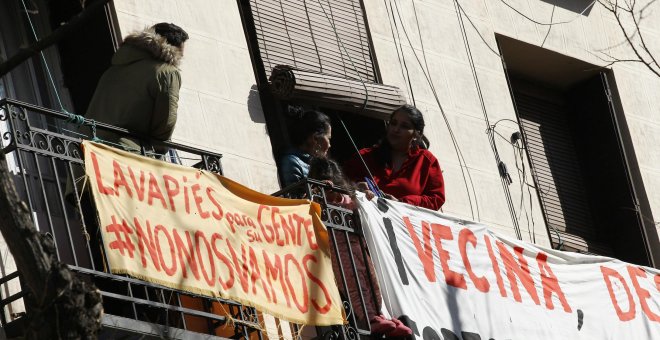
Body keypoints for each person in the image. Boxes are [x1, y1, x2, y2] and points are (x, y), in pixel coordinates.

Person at [308, 157, 412, 337]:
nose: (330, 193)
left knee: (373, 282)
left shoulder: (348, 197)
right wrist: (317, 192)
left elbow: (364, 205)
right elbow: (307, 207)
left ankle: (382, 316)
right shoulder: (316, 201)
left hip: (360, 248)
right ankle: (371, 319)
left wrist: (366, 196)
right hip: (339, 252)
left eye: (333, 186)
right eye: (325, 187)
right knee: (354, 284)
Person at [85, 22, 188, 152]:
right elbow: (165, 123)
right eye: (181, 52)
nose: (182, 56)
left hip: (90, 151)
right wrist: (159, 149)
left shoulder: (114, 69)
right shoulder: (167, 72)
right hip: (127, 154)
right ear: (173, 48)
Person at [345, 104, 445, 210]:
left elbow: (436, 199)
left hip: (404, 224)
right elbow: (341, 181)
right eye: (393, 123)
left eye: (404, 126)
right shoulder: (365, 156)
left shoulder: (427, 161)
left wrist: (402, 203)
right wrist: (356, 187)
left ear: (416, 134)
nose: (396, 129)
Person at [278, 110, 332, 188]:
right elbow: (293, 198)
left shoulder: (318, 163)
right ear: (315, 138)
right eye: (328, 138)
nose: (329, 145)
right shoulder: (292, 162)